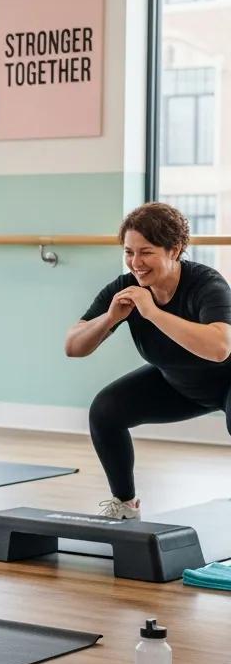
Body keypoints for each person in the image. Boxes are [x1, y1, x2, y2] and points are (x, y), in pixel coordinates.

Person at [65, 201, 231, 520]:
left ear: (175, 249)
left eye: (146, 252)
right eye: (129, 252)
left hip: (227, 380)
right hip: (180, 384)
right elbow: (73, 346)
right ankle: (124, 506)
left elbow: (220, 348)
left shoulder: (206, 284)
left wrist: (152, 313)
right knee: (105, 410)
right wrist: (109, 318)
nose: (136, 263)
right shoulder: (126, 288)